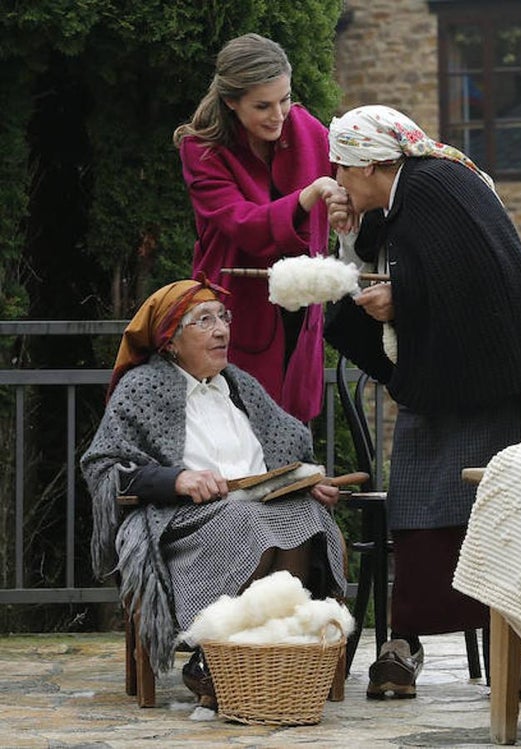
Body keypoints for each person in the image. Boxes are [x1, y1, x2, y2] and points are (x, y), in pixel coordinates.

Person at [321, 105, 521, 699]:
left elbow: (477, 278)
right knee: (420, 497)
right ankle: (408, 638)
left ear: (373, 162)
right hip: (454, 372)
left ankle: (513, 650)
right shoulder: (405, 193)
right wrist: (348, 234)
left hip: (497, 372)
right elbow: (388, 261)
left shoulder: (433, 184)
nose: (337, 179)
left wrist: (401, 300)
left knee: (498, 507)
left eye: (342, 167)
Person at [82, 277, 346, 706]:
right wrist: (176, 479)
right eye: (204, 321)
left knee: (308, 518)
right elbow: (105, 467)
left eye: (223, 317)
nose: (222, 330)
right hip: (185, 520)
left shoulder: (238, 385)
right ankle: (217, 654)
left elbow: (292, 446)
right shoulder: (142, 387)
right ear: (170, 340)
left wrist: (308, 481)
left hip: (258, 509)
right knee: (249, 522)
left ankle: (265, 652)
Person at [173, 33, 340, 423]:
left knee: (294, 432)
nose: (279, 115)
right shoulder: (202, 151)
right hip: (234, 313)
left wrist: (345, 206)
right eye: (262, 106)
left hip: (300, 315)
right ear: (231, 102)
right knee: (235, 435)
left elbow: (348, 183)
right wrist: (307, 197)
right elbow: (242, 224)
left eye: (285, 99)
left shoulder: (309, 129)